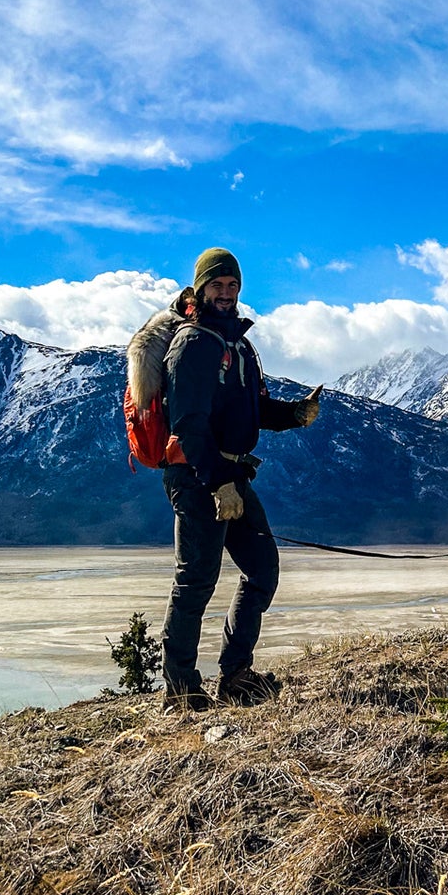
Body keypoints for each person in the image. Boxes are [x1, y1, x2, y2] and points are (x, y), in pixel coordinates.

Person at [156, 247, 321, 709]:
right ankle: (182, 692)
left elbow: (249, 410)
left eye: (232, 286)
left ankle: (236, 675)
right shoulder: (193, 344)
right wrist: (218, 482)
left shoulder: (238, 345)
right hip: (196, 477)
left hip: (231, 473)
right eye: (217, 285)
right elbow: (187, 423)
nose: (226, 293)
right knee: (195, 581)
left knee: (261, 569)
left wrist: (293, 414)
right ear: (201, 289)